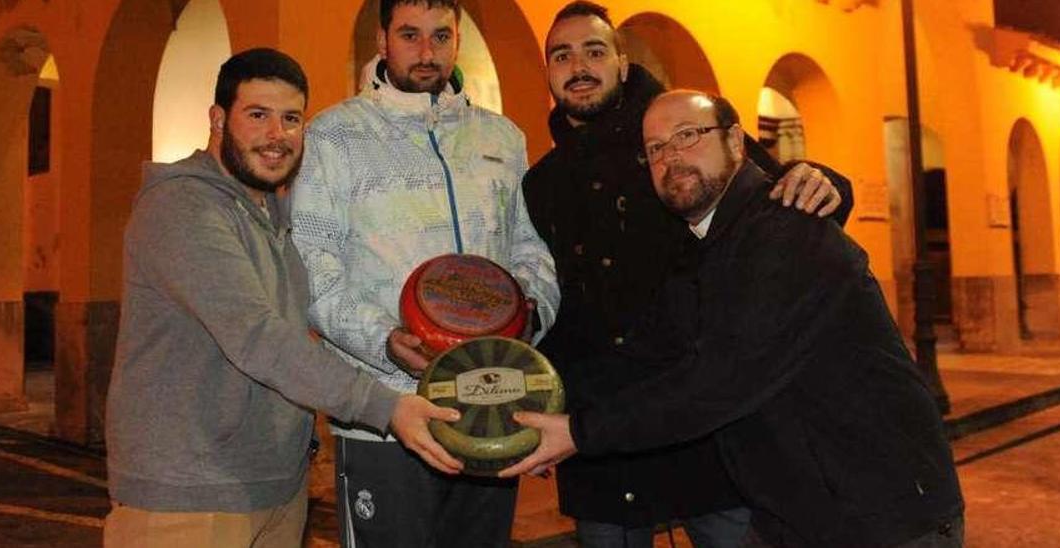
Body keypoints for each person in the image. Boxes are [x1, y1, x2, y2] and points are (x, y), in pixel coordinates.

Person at [506, 90, 965, 548]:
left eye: (688, 135)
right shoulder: (702, 251)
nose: (672, 157)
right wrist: (536, 402)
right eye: (655, 149)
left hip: (884, 516)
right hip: (795, 514)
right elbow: (642, 354)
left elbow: (719, 379)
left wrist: (578, 433)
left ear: (736, 141)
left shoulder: (784, 229)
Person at [521, 3, 853, 547]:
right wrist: (546, 407)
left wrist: (827, 183)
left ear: (623, 65)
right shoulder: (542, 183)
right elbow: (547, 297)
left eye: (595, 51)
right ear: (549, 72)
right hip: (601, 443)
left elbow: (769, 192)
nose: (579, 65)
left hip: (709, 434)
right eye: (563, 55)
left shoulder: (682, 140)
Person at [104, 48, 461, 548]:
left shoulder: (275, 210)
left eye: (291, 119)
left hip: (275, 489)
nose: (277, 135)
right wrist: (385, 406)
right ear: (217, 118)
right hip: (186, 498)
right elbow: (257, 337)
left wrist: (388, 341)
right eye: (257, 115)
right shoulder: (181, 206)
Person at [289, 1, 560, 546]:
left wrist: (527, 316)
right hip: (387, 414)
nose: (427, 51)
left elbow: (532, 250)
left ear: (457, 40)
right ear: (383, 40)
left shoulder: (501, 139)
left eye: (442, 35)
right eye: (410, 35)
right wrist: (385, 341)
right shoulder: (335, 136)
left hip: (489, 410)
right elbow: (313, 267)